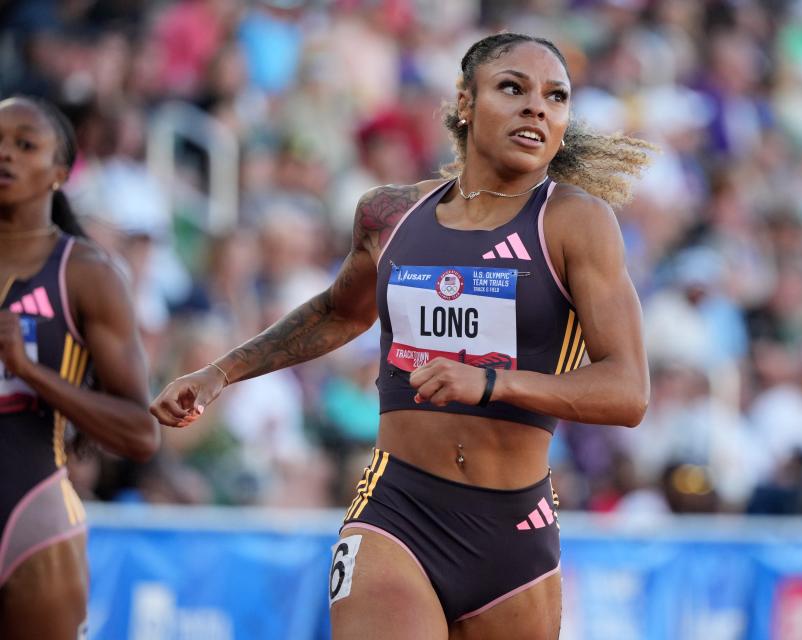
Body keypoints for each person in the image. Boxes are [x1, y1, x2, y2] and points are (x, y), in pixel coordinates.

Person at [151, 32, 651, 639]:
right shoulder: (390, 215)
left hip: (512, 531)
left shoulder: (575, 221)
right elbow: (339, 312)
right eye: (512, 88)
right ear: (465, 103)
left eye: (556, 97)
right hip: (397, 508)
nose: (536, 107)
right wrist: (220, 372)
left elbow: (627, 391)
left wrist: (492, 382)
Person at [0, 96, 160, 639]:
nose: (6, 156)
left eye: (25, 145)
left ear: (60, 172)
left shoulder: (85, 273)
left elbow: (140, 433)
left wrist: (28, 369)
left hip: (29, 517)